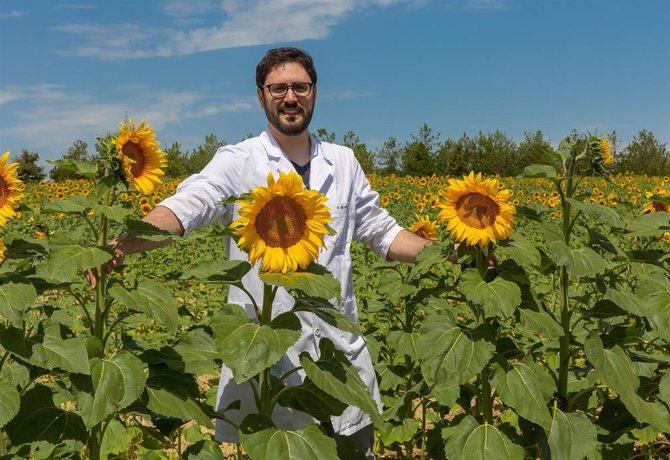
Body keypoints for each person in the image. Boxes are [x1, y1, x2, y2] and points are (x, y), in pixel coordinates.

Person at [90, 47, 430, 457]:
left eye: (300, 87)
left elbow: (383, 232)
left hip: (337, 357)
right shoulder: (239, 161)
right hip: (269, 359)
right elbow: (188, 207)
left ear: (314, 92)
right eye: (279, 88)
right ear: (261, 95)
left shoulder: (343, 162)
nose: (290, 97)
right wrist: (125, 243)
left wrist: (444, 254)